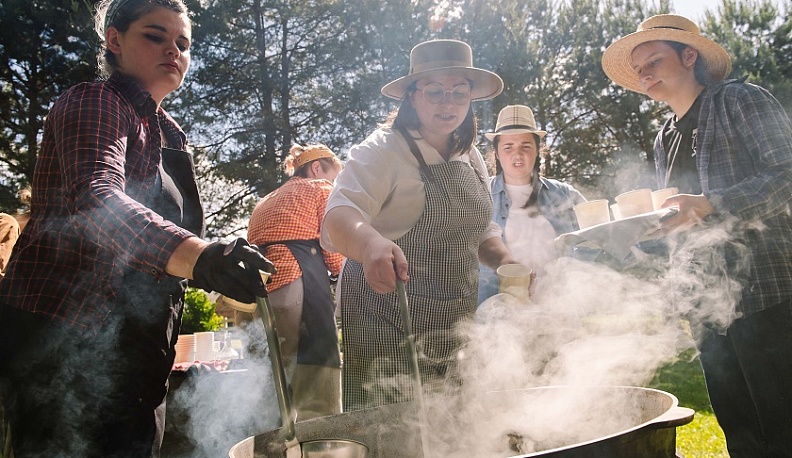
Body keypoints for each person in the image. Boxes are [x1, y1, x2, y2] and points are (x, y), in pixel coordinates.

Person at [0, 0, 274, 456]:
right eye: (155, 35)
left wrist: (217, 269)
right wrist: (202, 257)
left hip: (141, 346)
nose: (174, 50)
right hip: (68, 339)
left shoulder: (170, 133)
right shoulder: (94, 101)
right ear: (115, 40)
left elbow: (164, 253)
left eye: (183, 43)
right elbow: (97, 199)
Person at [602, 14, 792, 457]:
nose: (645, 74)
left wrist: (713, 203)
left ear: (690, 56)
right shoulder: (664, 137)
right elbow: (681, 222)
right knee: (739, 427)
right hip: (705, 308)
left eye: (653, 60)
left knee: (783, 425)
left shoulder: (740, 100)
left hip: (767, 294)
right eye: (639, 69)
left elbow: (786, 174)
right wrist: (632, 233)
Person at [321, 39, 519, 411]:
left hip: (454, 311)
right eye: (435, 92)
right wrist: (371, 246)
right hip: (386, 312)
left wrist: (507, 262)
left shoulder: (470, 154)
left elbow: (481, 230)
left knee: (451, 419)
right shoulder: (381, 150)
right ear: (411, 96)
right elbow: (337, 218)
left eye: (460, 93)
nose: (449, 103)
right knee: (391, 425)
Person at [243, 143, 344, 421]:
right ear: (316, 168)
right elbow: (333, 249)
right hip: (299, 285)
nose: (333, 183)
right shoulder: (320, 189)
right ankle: (319, 444)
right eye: (333, 176)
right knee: (315, 376)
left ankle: (272, 447)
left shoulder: (265, 200)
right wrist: (339, 272)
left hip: (261, 294)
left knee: (272, 379)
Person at [478, 105, 587, 303]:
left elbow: (594, 235)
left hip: (560, 305)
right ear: (497, 153)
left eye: (526, 146)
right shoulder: (481, 195)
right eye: (508, 147)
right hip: (500, 310)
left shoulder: (564, 194)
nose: (517, 154)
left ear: (538, 150)